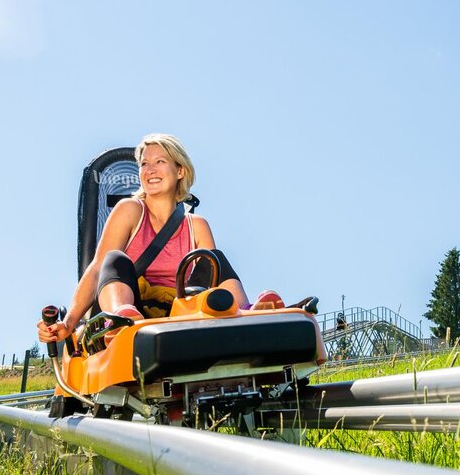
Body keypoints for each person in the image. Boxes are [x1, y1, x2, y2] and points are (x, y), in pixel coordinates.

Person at [37, 134, 281, 345]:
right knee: (114, 259)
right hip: (130, 308)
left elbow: (211, 283)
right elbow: (97, 269)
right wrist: (69, 323)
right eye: (144, 164)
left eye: (160, 162)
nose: (150, 170)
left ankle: (248, 313)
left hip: (177, 313)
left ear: (180, 171)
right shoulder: (130, 210)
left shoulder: (197, 226)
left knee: (213, 259)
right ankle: (121, 319)